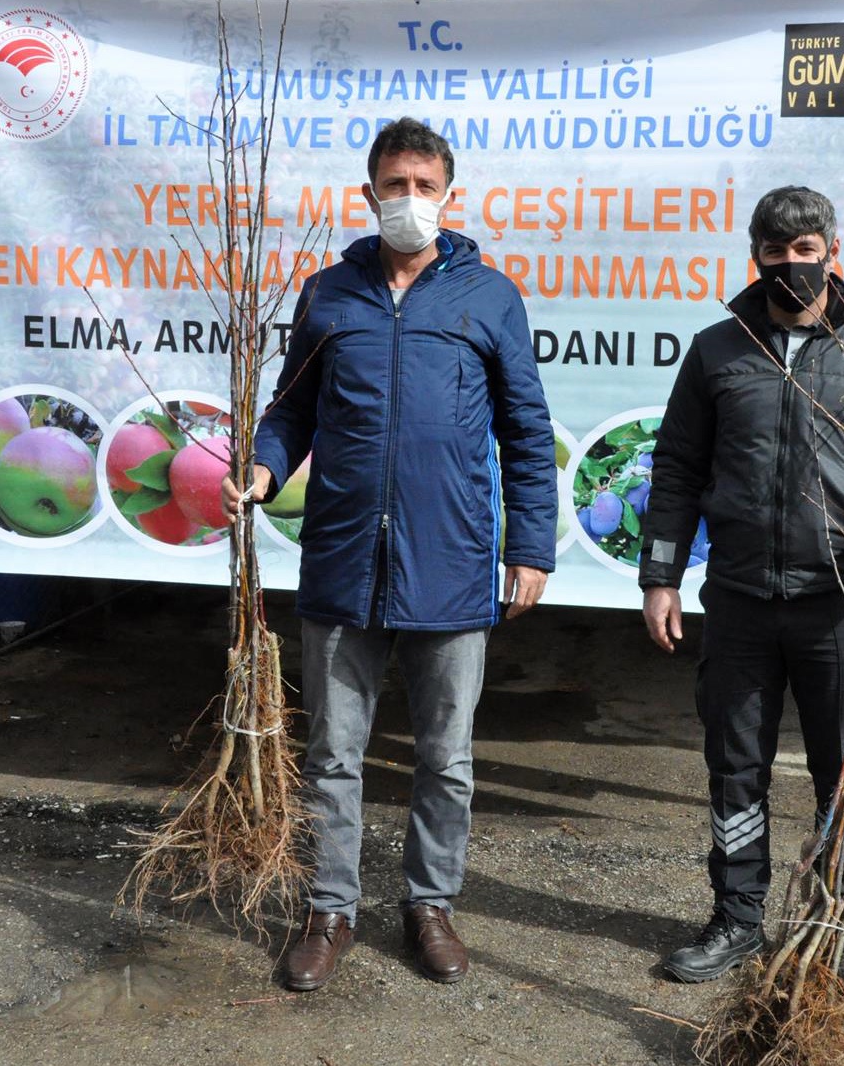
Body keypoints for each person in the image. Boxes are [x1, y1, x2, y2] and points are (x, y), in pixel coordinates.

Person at [224, 117, 557, 992]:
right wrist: (263, 464)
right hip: (343, 559)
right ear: (368, 194)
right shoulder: (328, 293)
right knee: (334, 753)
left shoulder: (490, 297)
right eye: (395, 185)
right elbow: (292, 408)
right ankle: (329, 911)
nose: (410, 199)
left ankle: (429, 906)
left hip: (451, 558)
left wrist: (530, 547)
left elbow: (527, 431)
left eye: (424, 185)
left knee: (446, 757)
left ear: (449, 195)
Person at [638, 185, 844, 996]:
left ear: (831, 254)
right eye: (774, 252)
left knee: (842, 774)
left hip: (839, 603)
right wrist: (661, 575)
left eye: (805, 251)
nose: (791, 265)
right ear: (756, 257)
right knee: (734, 765)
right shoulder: (717, 351)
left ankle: (842, 926)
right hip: (739, 600)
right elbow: (676, 468)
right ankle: (737, 920)